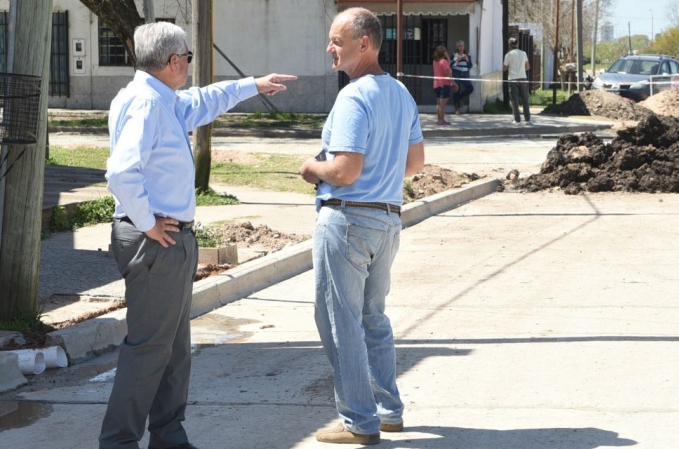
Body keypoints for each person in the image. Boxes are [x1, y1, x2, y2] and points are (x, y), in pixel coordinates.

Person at [100, 21, 295, 449]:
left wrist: (253, 84)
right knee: (149, 350)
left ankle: (169, 435)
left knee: (174, 348)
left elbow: (206, 100)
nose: (189, 63)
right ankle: (119, 442)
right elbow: (120, 172)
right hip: (156, 240)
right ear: (174, 61)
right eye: (188, 57)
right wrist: (148, 222)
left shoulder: (161, 98)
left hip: (170, 239)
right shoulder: (148, 104)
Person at [299, 7, 425, 446]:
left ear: (363, 43)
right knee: (373, 318)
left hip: (349, 218)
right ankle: (388, 410)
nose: (329, 48)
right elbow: (414, 164)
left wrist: (312, 167)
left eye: (336, 40)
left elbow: (346, 169)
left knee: (340, 321)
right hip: (387, 221)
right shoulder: (401, 95)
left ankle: (359, 420)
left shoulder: (353, 96)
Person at [503, 37, 532, 125]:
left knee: (514, 99)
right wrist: (521, 69)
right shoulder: (523, 53)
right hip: (523, 78)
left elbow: (505, 68)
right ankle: (527, 119)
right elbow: (527, 67)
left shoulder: (508, 55)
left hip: (512, 78)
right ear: (517, 44)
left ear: (509, 45)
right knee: (525, 99)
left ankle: (517, 119)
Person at [432, 45, 455, 125]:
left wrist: (448, 57)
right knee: (443, 104)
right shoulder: (443, 61)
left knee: (438, 103)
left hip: (436, 84)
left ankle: (439, 119)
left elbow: (448, 64)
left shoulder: (435, 61)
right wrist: (453, 82)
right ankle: (442, 120)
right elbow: (446, 72)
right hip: (444, 84)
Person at [450, 39, 474, 115]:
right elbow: (450, 65)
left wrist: (467, 59)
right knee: (456, 89)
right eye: (459, 46)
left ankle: (460, 98)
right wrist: (457, 59)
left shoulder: (468, 54)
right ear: (456, 47)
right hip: (456, 73)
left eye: (462, 46)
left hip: (465, 73)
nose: (461, 47)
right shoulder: (454, 54)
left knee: (470, 88)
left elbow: (470, 66)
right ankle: (457, 108)